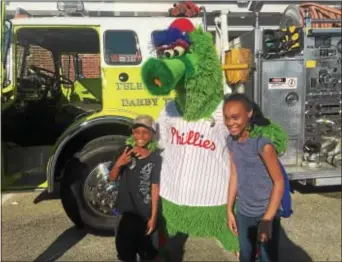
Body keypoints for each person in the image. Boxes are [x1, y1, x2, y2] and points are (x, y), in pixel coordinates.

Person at [223, 93, 285, 262]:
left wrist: (267, 220)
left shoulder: (262, 144)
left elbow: (279, 182)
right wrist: (229, 210)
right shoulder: (231, 141)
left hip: (266, 212)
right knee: (245, 255)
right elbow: (234, 175)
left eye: (235, 117)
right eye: (227, 118)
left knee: (267, 258)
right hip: (244, 213)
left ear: (249, 113)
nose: (230, 123)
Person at [108, 115, 162, 262]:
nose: (140, 136)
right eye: (136, 132)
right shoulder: (124, 151)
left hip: (146, 213)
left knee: (150, 253)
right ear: (132, 133)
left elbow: (155, 187)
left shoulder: (156, 157)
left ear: (152, 135)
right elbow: (111, 178)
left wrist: (153, 217)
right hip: (125, 213)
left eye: (145, 132)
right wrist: (119, 163)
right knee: (125, 253)